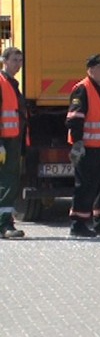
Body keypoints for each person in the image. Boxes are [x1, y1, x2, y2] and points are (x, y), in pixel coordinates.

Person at [66, 54, 100, 237]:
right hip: (89, 147)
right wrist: (77, 143)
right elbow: (74, 118)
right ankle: (78, 224)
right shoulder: (83, 89)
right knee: (86, 185)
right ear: (90, 69)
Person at [0, 47, 26, 239]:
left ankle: (6, 223)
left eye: (20, 60)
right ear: (4, 61)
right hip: (5, 142)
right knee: (7, 183)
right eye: (15, 60)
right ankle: (4, 225)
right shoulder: (2, 83)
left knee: (10, 182)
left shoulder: (12, 83)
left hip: (13, 140)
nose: (18, 64)